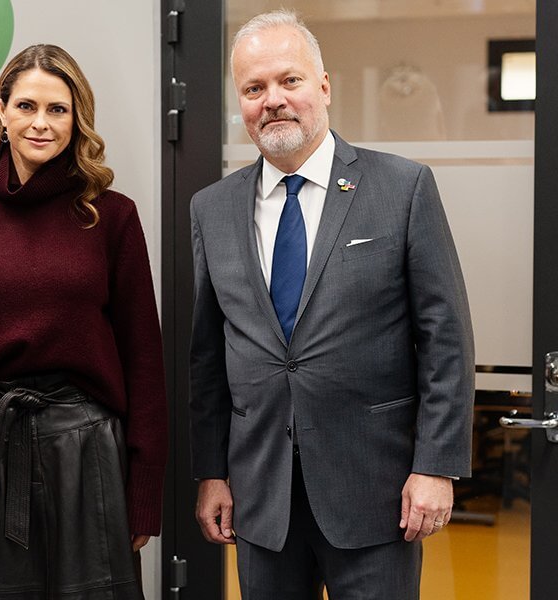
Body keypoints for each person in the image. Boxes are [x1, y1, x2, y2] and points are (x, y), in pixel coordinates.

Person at [188, 10, 474, 599]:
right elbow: (207, 358)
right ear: (239, 102)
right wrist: (212, 472)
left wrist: (437, 465)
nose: (273, 100)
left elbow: (446, 339)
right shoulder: (211, 210)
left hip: (377, 494)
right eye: (253, 88)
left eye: (289, 80)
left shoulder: (402, 187)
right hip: (260, 498)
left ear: (323, 87)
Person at [0, 44, 167, 599]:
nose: (41, 123)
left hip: (90, 455)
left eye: (58, 109)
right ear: (1, 111)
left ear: (77, 120)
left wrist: (144, 489)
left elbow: (144, 360)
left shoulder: (112, 216)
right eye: (27, 106)